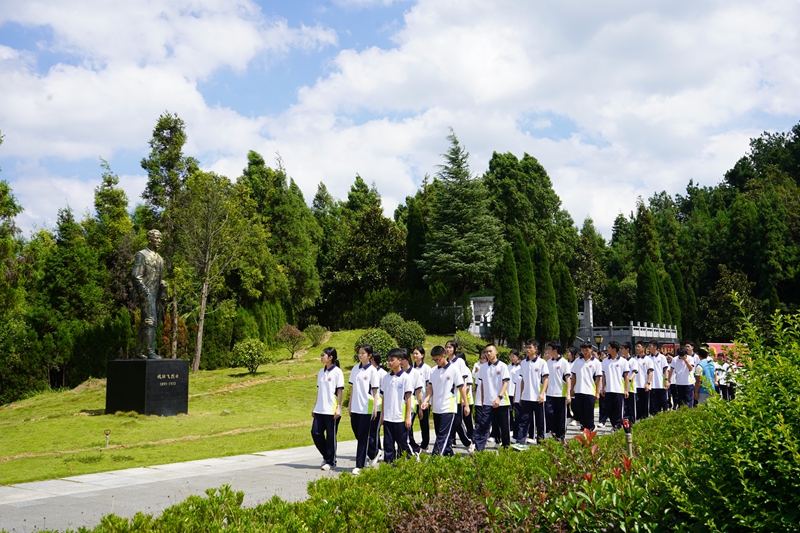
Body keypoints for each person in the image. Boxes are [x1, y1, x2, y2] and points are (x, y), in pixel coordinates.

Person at [420, 345, 470, 456]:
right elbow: (430, 389)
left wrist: (466, 405)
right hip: (437, 408)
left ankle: (435, 458)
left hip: (449, 407)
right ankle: (449, 455)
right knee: (440, 434)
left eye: (438, 359)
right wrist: (426, 400)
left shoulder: (453, 369)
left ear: (444, 356)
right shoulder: (433, 371)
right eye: (434, 360)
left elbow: (461, 388)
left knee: (442, 435)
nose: (436, 362)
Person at [131, 229, 168, 359]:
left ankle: (138, 352)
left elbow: (157, 277)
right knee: (150, 320)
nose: (159, 241)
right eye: (156, 238)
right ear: (149, 239)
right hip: (146, 292)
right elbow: (136, 275)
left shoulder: (160, 259)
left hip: (156, 294)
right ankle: (150, 351)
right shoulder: (142, 255)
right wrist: (144, 291)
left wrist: (162, 284)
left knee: (147, 323)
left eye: (160, 238)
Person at [348, 345, 380, 475]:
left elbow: (375, 391)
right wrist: (349, 404)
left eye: (363, 353)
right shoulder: (355, 369)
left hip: (366, 407)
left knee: (362, 437)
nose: (360, 355)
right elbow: (352, 388)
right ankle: (374, 452)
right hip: (355, 407)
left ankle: (359, 465)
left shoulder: (372, 371)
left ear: (370, 355)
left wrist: (375, 408)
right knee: (357, 433)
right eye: (359, 353)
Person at [311, 347, 344, 471]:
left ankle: (331, 461)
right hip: (320, 409)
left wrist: (338, 408)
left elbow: (339, 391)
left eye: (323, 355)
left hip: (331, 410)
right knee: (315, 433)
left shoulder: (337, 372)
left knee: (331, 436)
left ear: (330, 357)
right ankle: (326, 456)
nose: (321, 357)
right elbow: (320, 391)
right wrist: (315, 407)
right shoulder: (321, 372)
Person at [473, 344, 511, 450]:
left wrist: (499, 397)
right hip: (488, 402)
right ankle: (479, 447)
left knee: (504, 426)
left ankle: (506, 447)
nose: (488, 353)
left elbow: (505, 383)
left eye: (490, 351)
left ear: (496, 352)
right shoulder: (483, 368)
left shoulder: (503, 366)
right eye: (487, 352)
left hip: (502, 402)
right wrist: (482, 400)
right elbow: (482, 385)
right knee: (484, 425)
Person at [379, 348, 414, 463]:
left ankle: (408, 462)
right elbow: (384, 397)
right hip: (388, 417)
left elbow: (408, 398)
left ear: (400, 360)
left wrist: (408, 417)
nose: (389, 363)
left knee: (402, 443)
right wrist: (382, 414)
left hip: (400, 417)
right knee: (388, 444)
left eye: (392, 360)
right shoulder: (386, 377)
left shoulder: (405, 377)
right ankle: (388, 465)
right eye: (388, 360)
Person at [515, 339, 549, 446]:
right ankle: (520, 442)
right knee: (524, 420)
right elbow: (523, 380)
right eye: (526, 347)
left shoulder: (542, 362)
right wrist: (521, 395)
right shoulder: (523, 363)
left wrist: (542, 393)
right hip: (526, 397)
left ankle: (541, 442)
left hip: (538, 397)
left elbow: (545, 379)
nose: (527, 349)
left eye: (530, 347)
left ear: (536, 349)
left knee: (540, 421)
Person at [445, 340, 473, 450]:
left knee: (457, 422)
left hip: (457, 397)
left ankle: (468, 442)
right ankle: (449, 443)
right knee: (449, 422)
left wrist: (463, 398)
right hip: (448, 398)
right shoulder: (446, 362)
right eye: (447, 347)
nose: (448, 349)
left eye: (450, 347)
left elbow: (463, 381)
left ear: (455, 349)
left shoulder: (460, 362)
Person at [571, 341, 602, 432]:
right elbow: (573, 376)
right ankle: (584, 427)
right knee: (580, 411)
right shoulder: (577, 361)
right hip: (579, 390)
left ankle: (590, 428)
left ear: (591, 349)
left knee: (589, 411)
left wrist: (597, 392)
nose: (585, 352)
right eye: (583, 350)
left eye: (587, 350)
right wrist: (572, 388)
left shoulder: (596, 362)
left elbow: (598, 378)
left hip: (590, 390)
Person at [545, 341, 572, 442]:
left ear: (555, 350)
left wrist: (568, 394)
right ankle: (552, 433)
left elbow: (568, 379)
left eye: (549, 349)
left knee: (560, 416)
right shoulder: (548, 363)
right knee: (549, 414)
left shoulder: (564, 362)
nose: (548, 351)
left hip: (560, 394)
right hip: (549, 394)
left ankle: (561, 435)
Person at [399, 349, 424, 456]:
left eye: (402, 359)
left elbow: (418, 392)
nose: (400, 362)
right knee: (405, 430)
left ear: (408, 359)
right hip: (400, 406)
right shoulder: (398, 373)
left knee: (407, 428)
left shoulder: (415, 373)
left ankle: (413, 450)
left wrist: (420, 408)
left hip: (411, 405)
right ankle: (412, 449)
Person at [601, 340, 629, 430]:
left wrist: (626, 390)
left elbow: (626, 376)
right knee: (609, 410)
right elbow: (604, 375)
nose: (607, 349)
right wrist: (602, 388)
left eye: (609, 347)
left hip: (619, 390)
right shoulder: (605, 361)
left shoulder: (623, 361)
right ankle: (615, 425)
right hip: (609, 390)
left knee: (618, 410)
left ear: (614, 349)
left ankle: (618, 426)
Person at [367, 349, 387, 466]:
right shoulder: (369, 371)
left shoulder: (382, 373)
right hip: (369, 406)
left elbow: (384, 393)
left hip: (378, 406)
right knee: (371, 431)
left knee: (374, 431)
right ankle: (376, 450)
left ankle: (376, 451)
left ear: (373, 360)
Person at [412, 346, 433, 451]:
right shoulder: (411, 368)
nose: (415, 355)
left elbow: (429, 386)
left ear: (422, 355)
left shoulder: (427, 369)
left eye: (417, 353)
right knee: (409, 423)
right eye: (414, 353)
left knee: (424, 424)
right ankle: (412, 443)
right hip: (412, 400)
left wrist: (427, 400)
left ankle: (425, 444)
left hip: (423, 400)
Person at [634, 341, 653, 420]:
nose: (637, 348)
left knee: (645, 404)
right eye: (636, 347)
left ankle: (644, 419)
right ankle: (638, 419)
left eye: (639, 347)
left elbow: (650, 372)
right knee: (637, 404)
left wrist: (648, 383)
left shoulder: (648, 360)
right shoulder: (634, 360)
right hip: (636, 385)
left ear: (643, 348)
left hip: (644, 385)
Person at [648, 341, 669, 415]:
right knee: (654, 405)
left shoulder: (662, 357)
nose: (648, 348)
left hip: (660, 384)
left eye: (650, 346)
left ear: (655, 347)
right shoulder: (648, 358)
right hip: (652, 385)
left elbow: (665, 370)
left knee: (663, 402)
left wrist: (667, 380)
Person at [620, 341, 637, 423]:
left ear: (627, 349)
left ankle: (632, 422)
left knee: (631, 406)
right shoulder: (621, 361)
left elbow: (634, 372)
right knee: (623, 406)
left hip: (630, 387)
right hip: (621, 387)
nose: (621, 350)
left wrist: (629, 379)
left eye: (622, 348)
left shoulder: (633, 361)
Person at [508, 349, 522, 442]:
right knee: (509, 411)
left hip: (516, 392)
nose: (512, 358)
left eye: (514, 356)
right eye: (511, 356)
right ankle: (511, 428)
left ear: (518, 357)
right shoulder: (508, 367)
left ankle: (517, 431)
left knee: (517, 413)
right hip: (508, 391)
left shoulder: (520, 368)